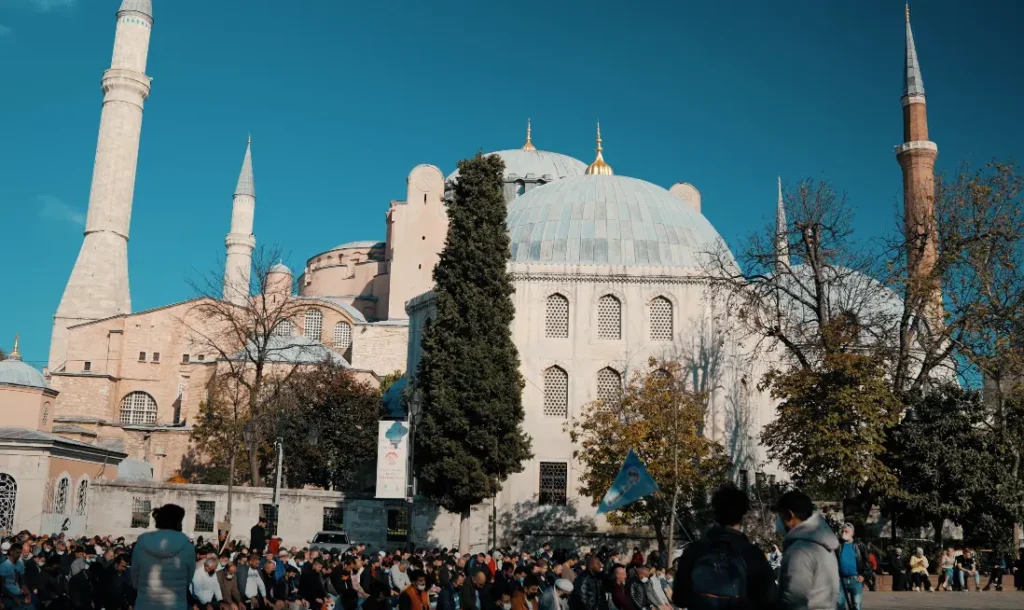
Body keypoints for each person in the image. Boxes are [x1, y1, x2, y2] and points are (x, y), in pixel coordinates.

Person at [674, 484, 776, 610]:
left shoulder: (695, 550)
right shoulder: (752, 554)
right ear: (743, 514)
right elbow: (769, 599)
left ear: (715, 513)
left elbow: (679, 598)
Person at [773, 490, 839, 610]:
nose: (779, 521)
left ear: (790, 514)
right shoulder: (825, 544)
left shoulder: (800, 551)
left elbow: (795, 600)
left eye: (781, 516)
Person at [133, 504, 198, 610]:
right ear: (178, 522)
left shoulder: (141, 543)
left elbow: (135, 579)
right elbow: (188, 579)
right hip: (175, 605)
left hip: (145, 604)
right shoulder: (187, 546)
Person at [834, 523, 872, 608]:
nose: (844, 533)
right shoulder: (838, 545)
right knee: (839, 604)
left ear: (852, 533)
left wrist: (863, 575)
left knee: (856, 604)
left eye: (846, 531)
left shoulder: (859, 545)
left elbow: (867, 562)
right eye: (843, 531)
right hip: (841, 580)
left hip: (856, 580)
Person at [0, 542, 31, 610]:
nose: (18, 555)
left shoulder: (21, 564)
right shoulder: (3, 566)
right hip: (7, 596)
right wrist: (14, 597)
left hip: (19, 594)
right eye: (17, 552)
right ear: (11, 552)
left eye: (20, 553)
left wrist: (28, 593)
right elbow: (2, 586)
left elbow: (23, 582)